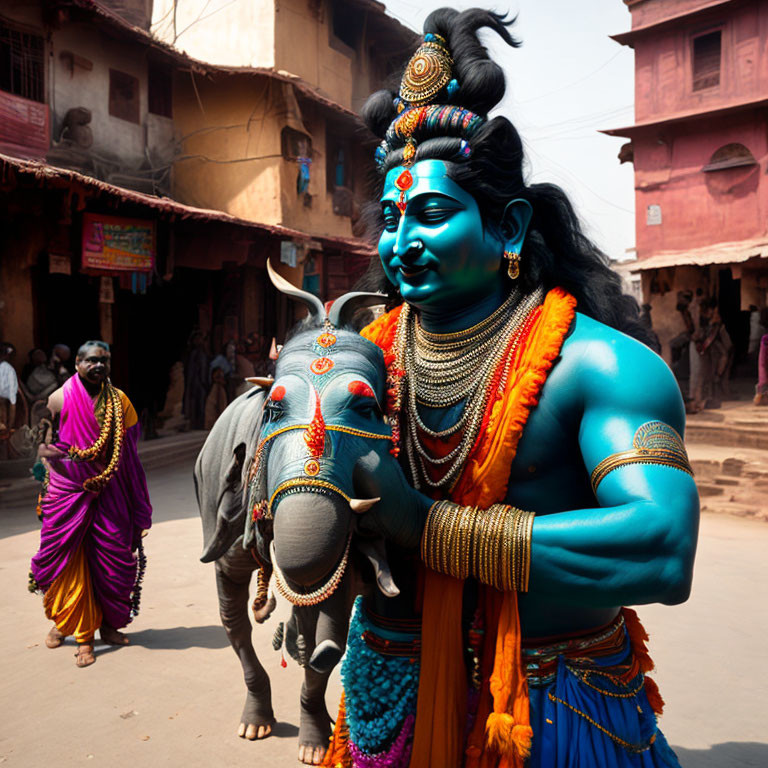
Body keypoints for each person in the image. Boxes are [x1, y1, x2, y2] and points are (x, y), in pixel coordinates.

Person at [322, 10, 698, 768]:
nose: (402, 242)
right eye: (390, 219)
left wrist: (430, 528)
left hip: (549, 706)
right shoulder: (361, 364)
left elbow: (662, 548)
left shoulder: (602, 367)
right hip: (386, 694)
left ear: (512, 227)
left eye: (430, 212)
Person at [29, 341, 152, 667]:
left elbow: (130, 445)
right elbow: (42, 444)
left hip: (109, 490)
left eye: (105, 360)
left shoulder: (119, 400)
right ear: (78, 363)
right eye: (93, 360)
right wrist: (58, 459)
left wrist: (110, 474)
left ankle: (108, 625)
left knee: (113, 559)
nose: (99, 365)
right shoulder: (58, 398)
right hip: (67, 493)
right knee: (70, 560)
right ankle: (77, 633)